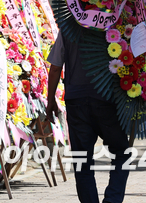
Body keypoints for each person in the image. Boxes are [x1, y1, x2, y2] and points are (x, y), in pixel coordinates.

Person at [46, 29, 131, 203]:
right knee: (122, 152)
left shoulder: (68, 27)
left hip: (76, 101)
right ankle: (112, 200)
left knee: (82, 161)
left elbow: (55, 68)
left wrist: (50, 100)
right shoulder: (113, 25)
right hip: (106, 100)